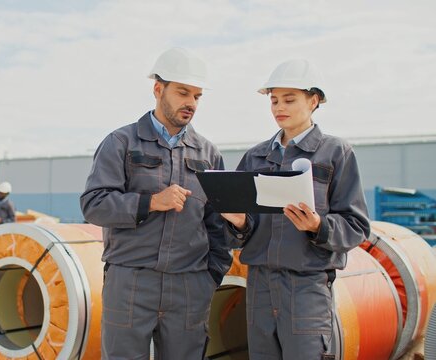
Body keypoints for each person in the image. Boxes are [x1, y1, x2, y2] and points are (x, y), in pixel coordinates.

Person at [80, 47, 234, 359]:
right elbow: (94, 204)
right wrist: (150, 202)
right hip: (131, 281)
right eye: (182, 92)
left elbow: (217, 226)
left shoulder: (208, 155)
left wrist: (210, 276)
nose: (190, 103)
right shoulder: (121, 143)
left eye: (197, 96)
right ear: (158, 89)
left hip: (189, 285)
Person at [220, 59, 370, 359]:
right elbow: (243, 231)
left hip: (306, 286)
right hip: (260, 284)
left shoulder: (335, 153)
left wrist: (318, 226)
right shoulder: (255, 157)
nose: (279, 107)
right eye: (274, 100)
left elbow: (356, 225)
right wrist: (237, 223)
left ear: (313, 101)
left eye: (289, 99)